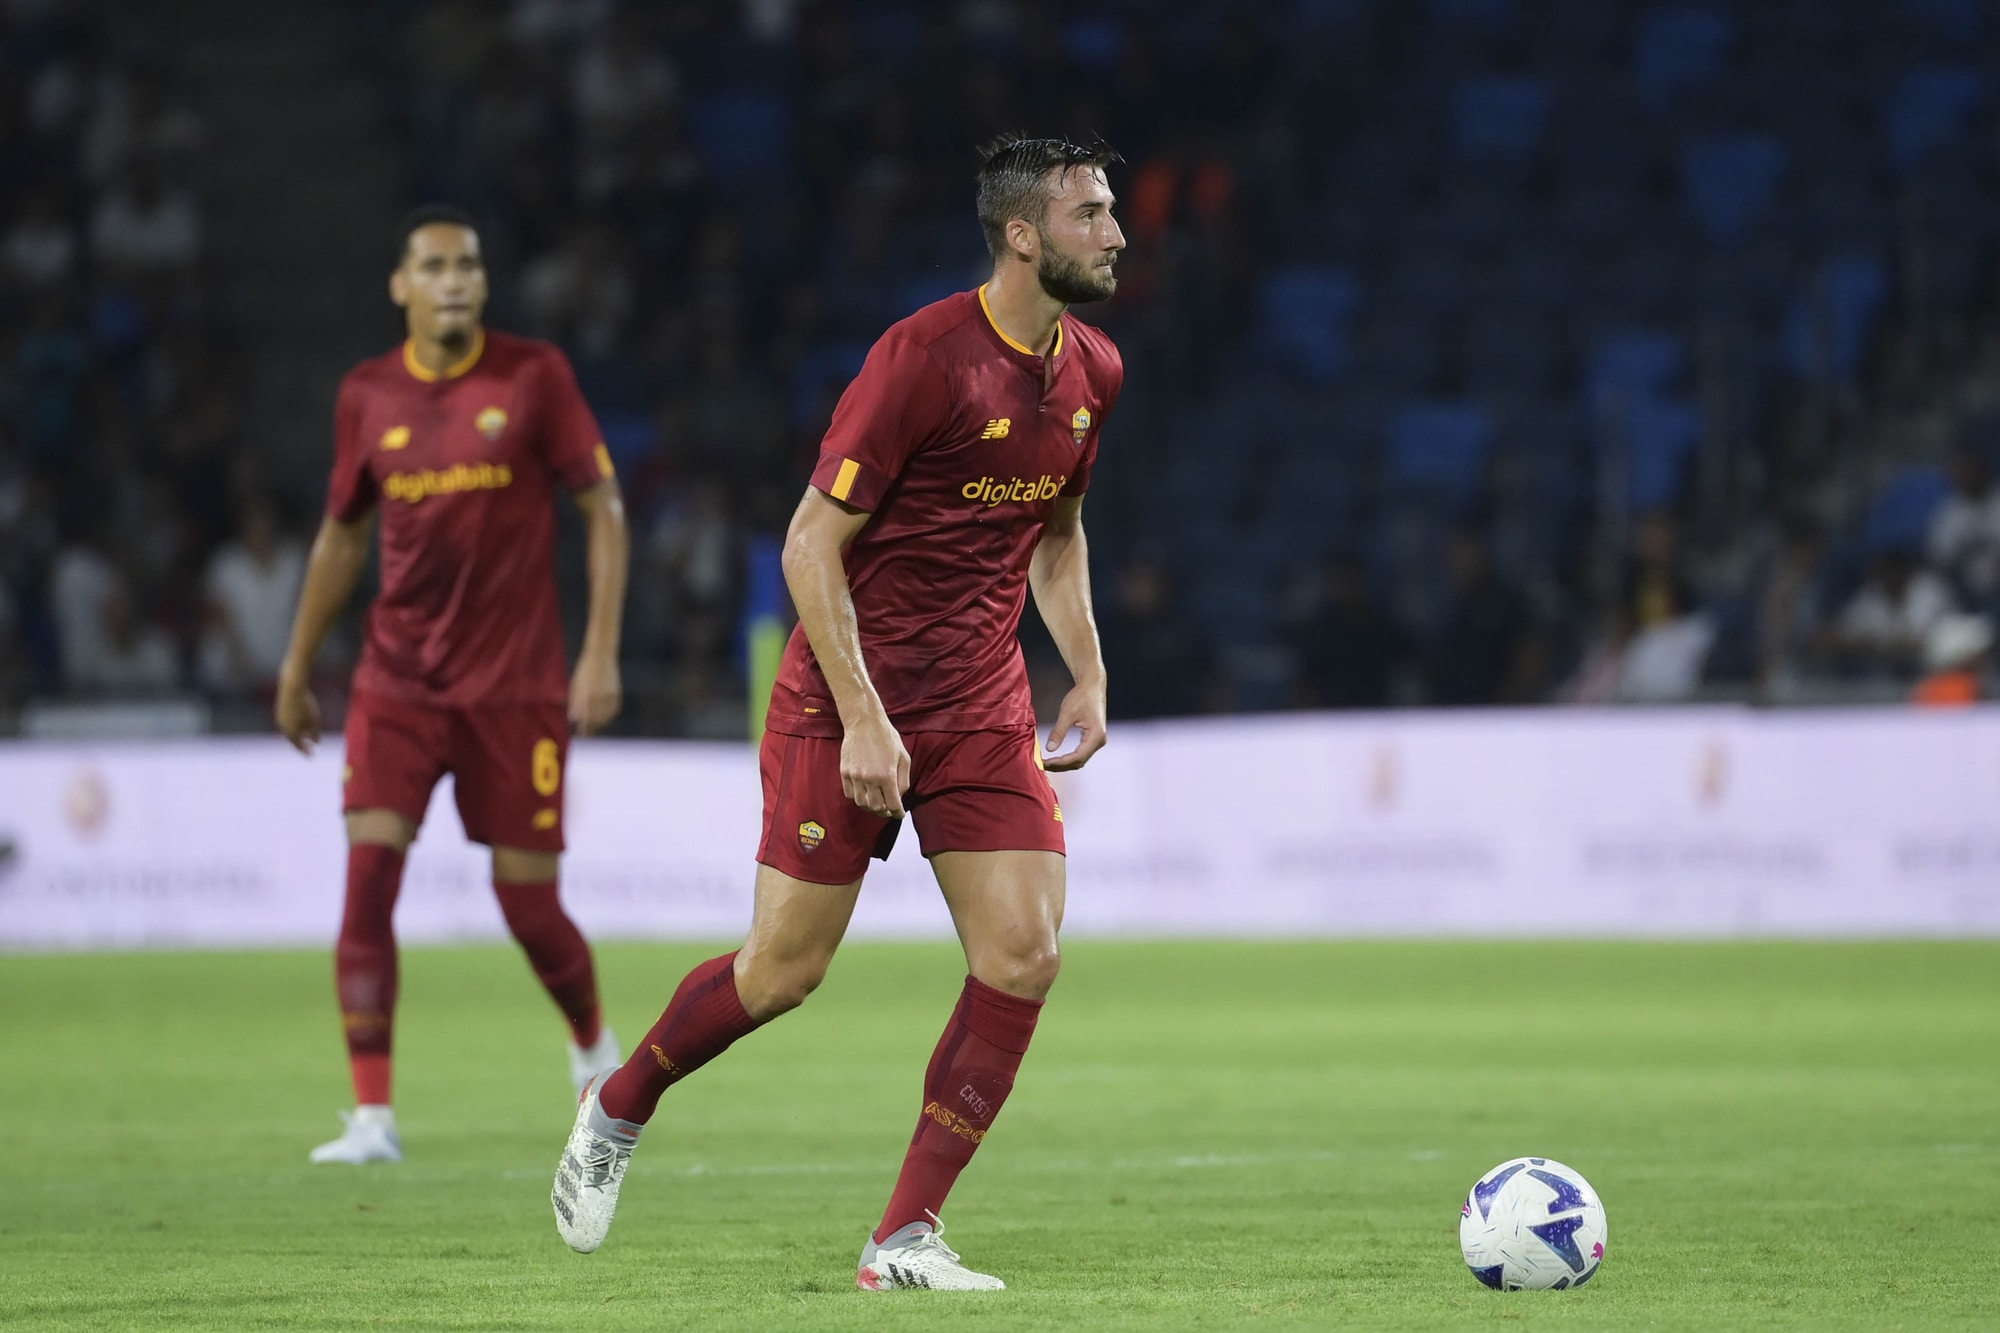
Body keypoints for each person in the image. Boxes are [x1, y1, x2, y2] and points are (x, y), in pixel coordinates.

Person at [550, 136, 1127, 1292]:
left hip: (978, 704)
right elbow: (809, 544)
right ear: (1021, 235)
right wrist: (864, 716)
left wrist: (1088, 668)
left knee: (1023, 954)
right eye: (1089, 215)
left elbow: (1056, 536)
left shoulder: (1094, 371)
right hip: (842, 697)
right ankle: (618, 1103)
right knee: (781, 972)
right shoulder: (920, 360)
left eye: (1110, 212)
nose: (1114, 235)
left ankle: (901, 1237)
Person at [275, 205, 631, 1165]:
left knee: (529, 907)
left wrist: (599, 650)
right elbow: (341, 535)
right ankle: (372, 1118)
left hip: (514, 687)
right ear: (400, 286)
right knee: (367, 882)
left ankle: (594, 1050)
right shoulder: (366, 394)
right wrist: (298, 664)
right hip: (397, 684)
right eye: (433, 267)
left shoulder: (533, 376)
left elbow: (602, 505)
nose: (455, 281)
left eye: (468, 265)